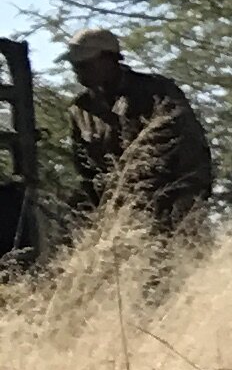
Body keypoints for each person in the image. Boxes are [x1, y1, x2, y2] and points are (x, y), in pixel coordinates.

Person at [63, 28, 217, 235]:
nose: (77, 68)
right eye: (75, 63)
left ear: (110, 59)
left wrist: (179, 199)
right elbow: (86, 171)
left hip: (170, 204)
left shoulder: (157, 92)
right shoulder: (80, 109)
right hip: (118, 216)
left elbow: (187, 147)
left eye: (85, 62)